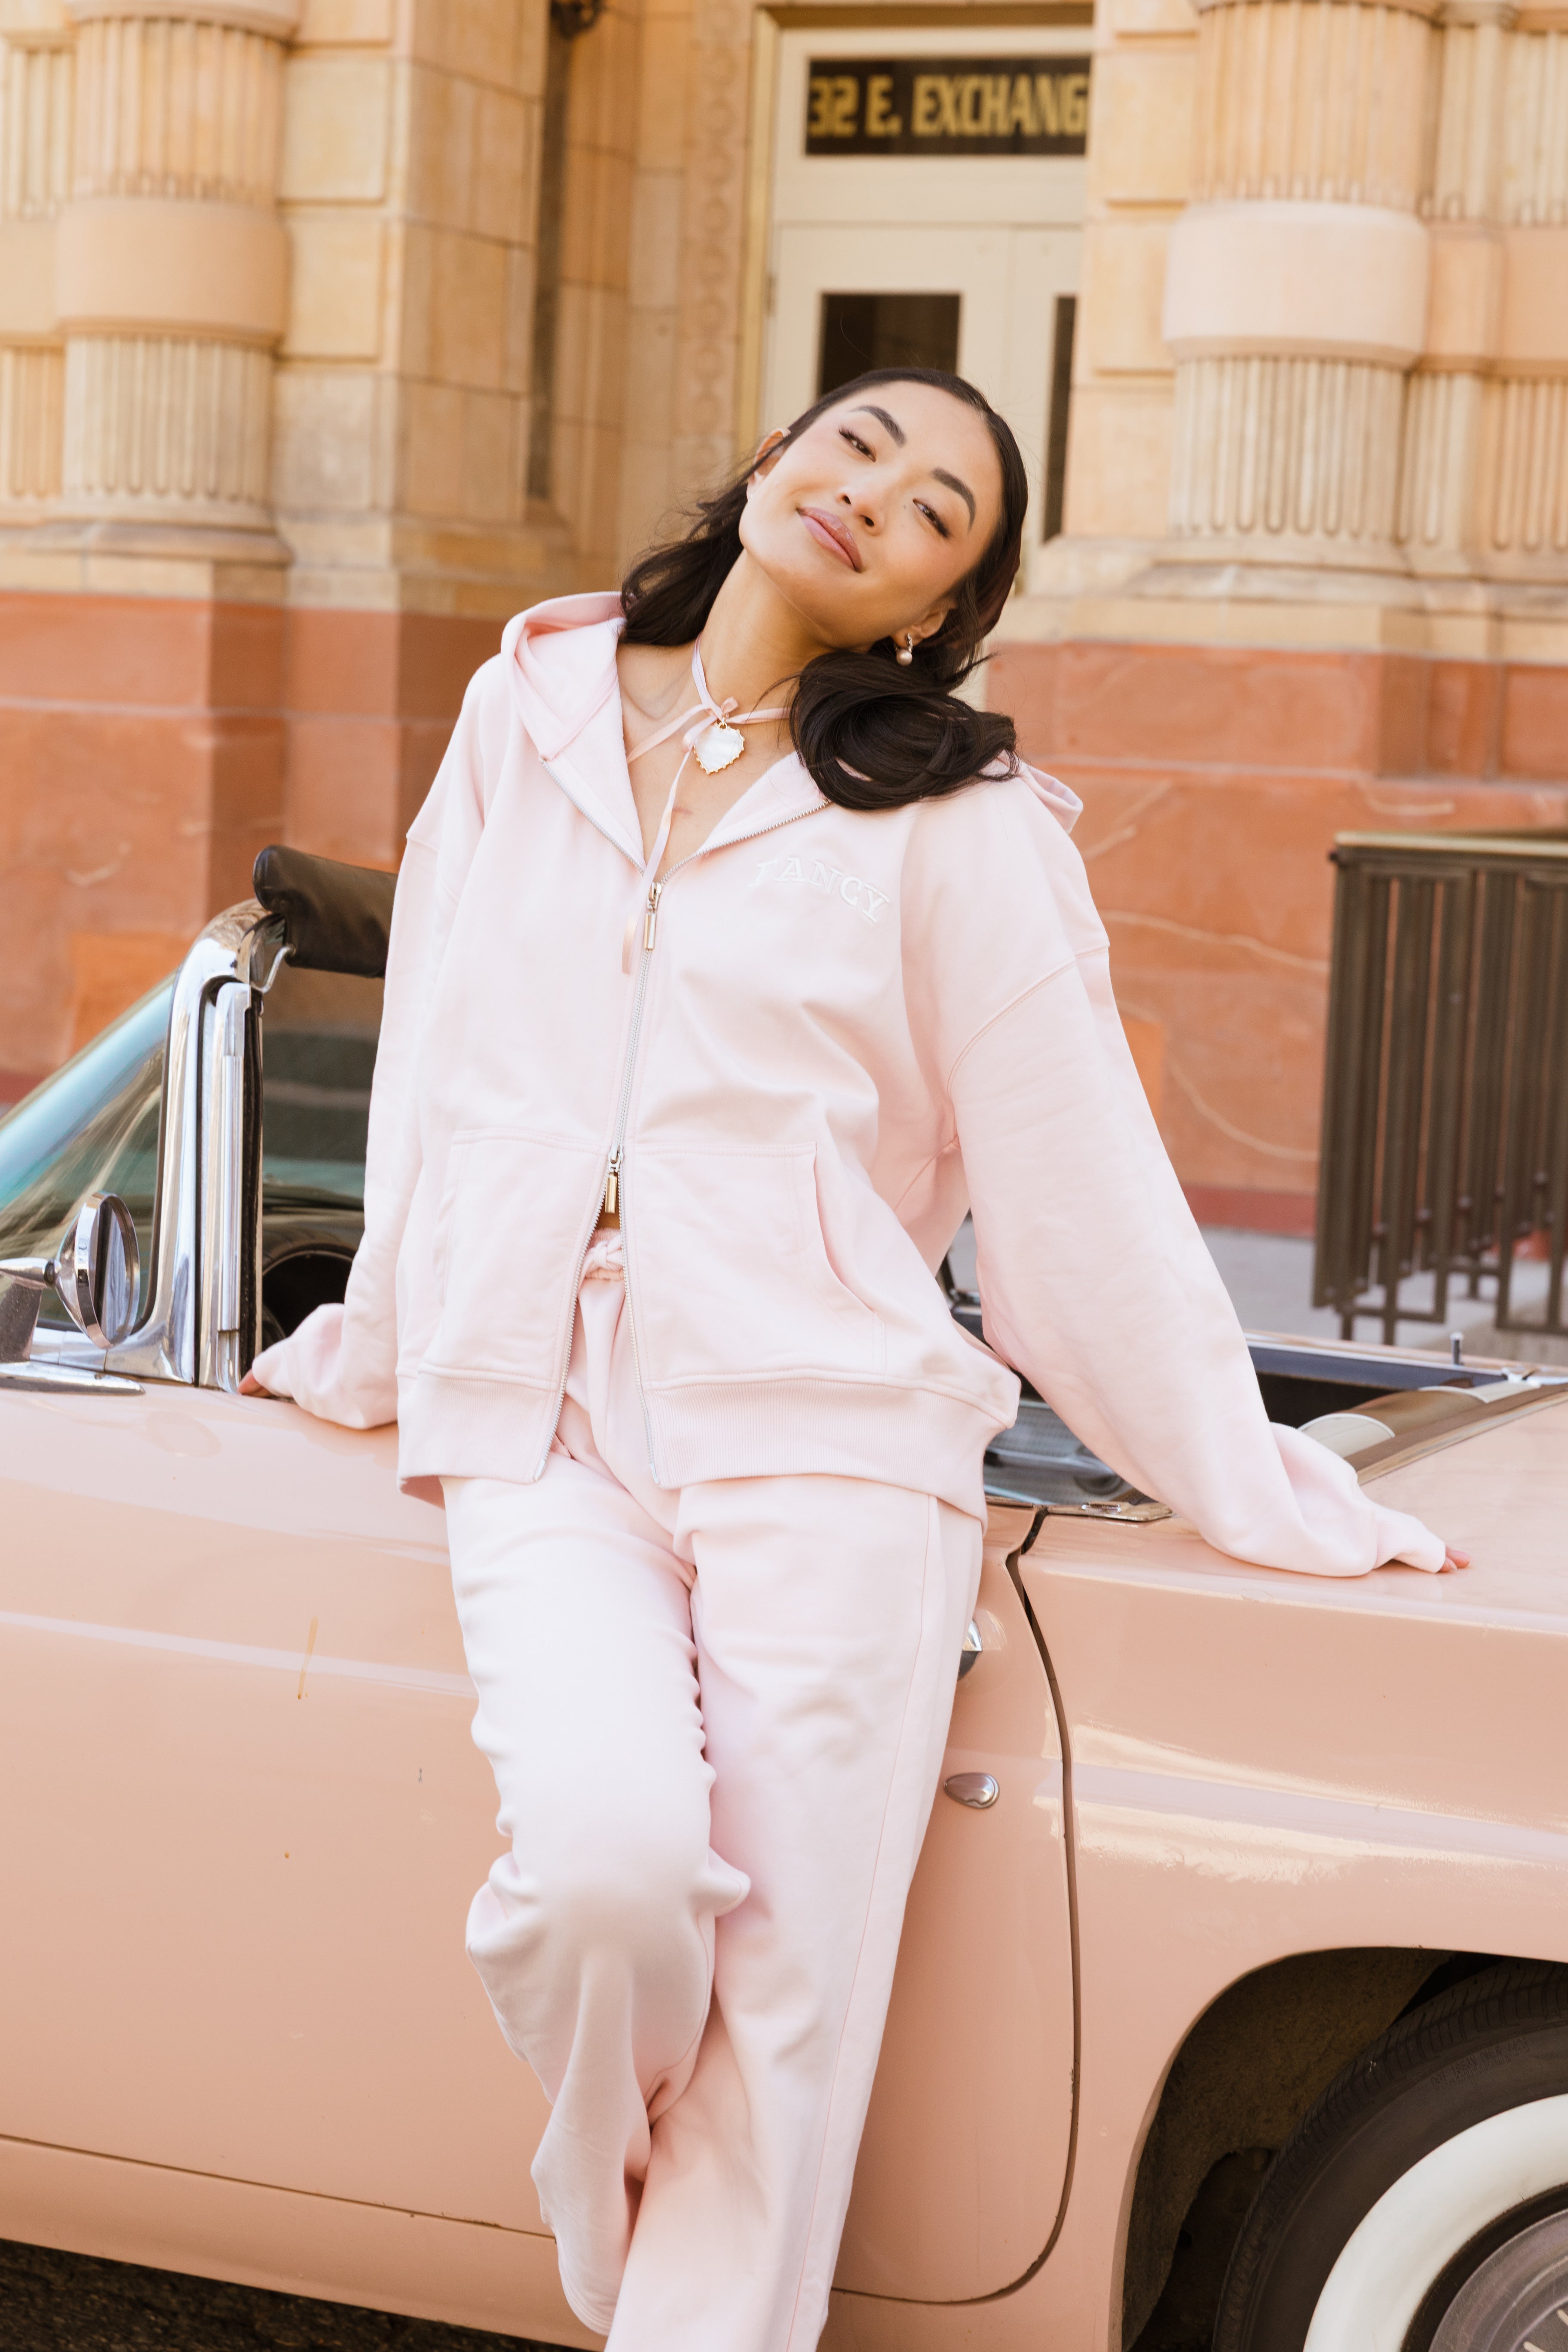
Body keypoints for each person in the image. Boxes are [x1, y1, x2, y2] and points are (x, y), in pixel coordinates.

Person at [244, 367, 1463, 2352]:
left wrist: (1247, 1477)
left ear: (935, 609)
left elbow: (1076, 1172)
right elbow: (437, 1057)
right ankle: (631, 2224)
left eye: (935, 512)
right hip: (545, 1412)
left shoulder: (963, 824)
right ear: (776, 458)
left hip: (834, 1441)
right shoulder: (526, 712)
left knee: (791, 2013)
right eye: (861, 446)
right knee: (608, 1877)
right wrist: (384, 1337)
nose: (874, 495)